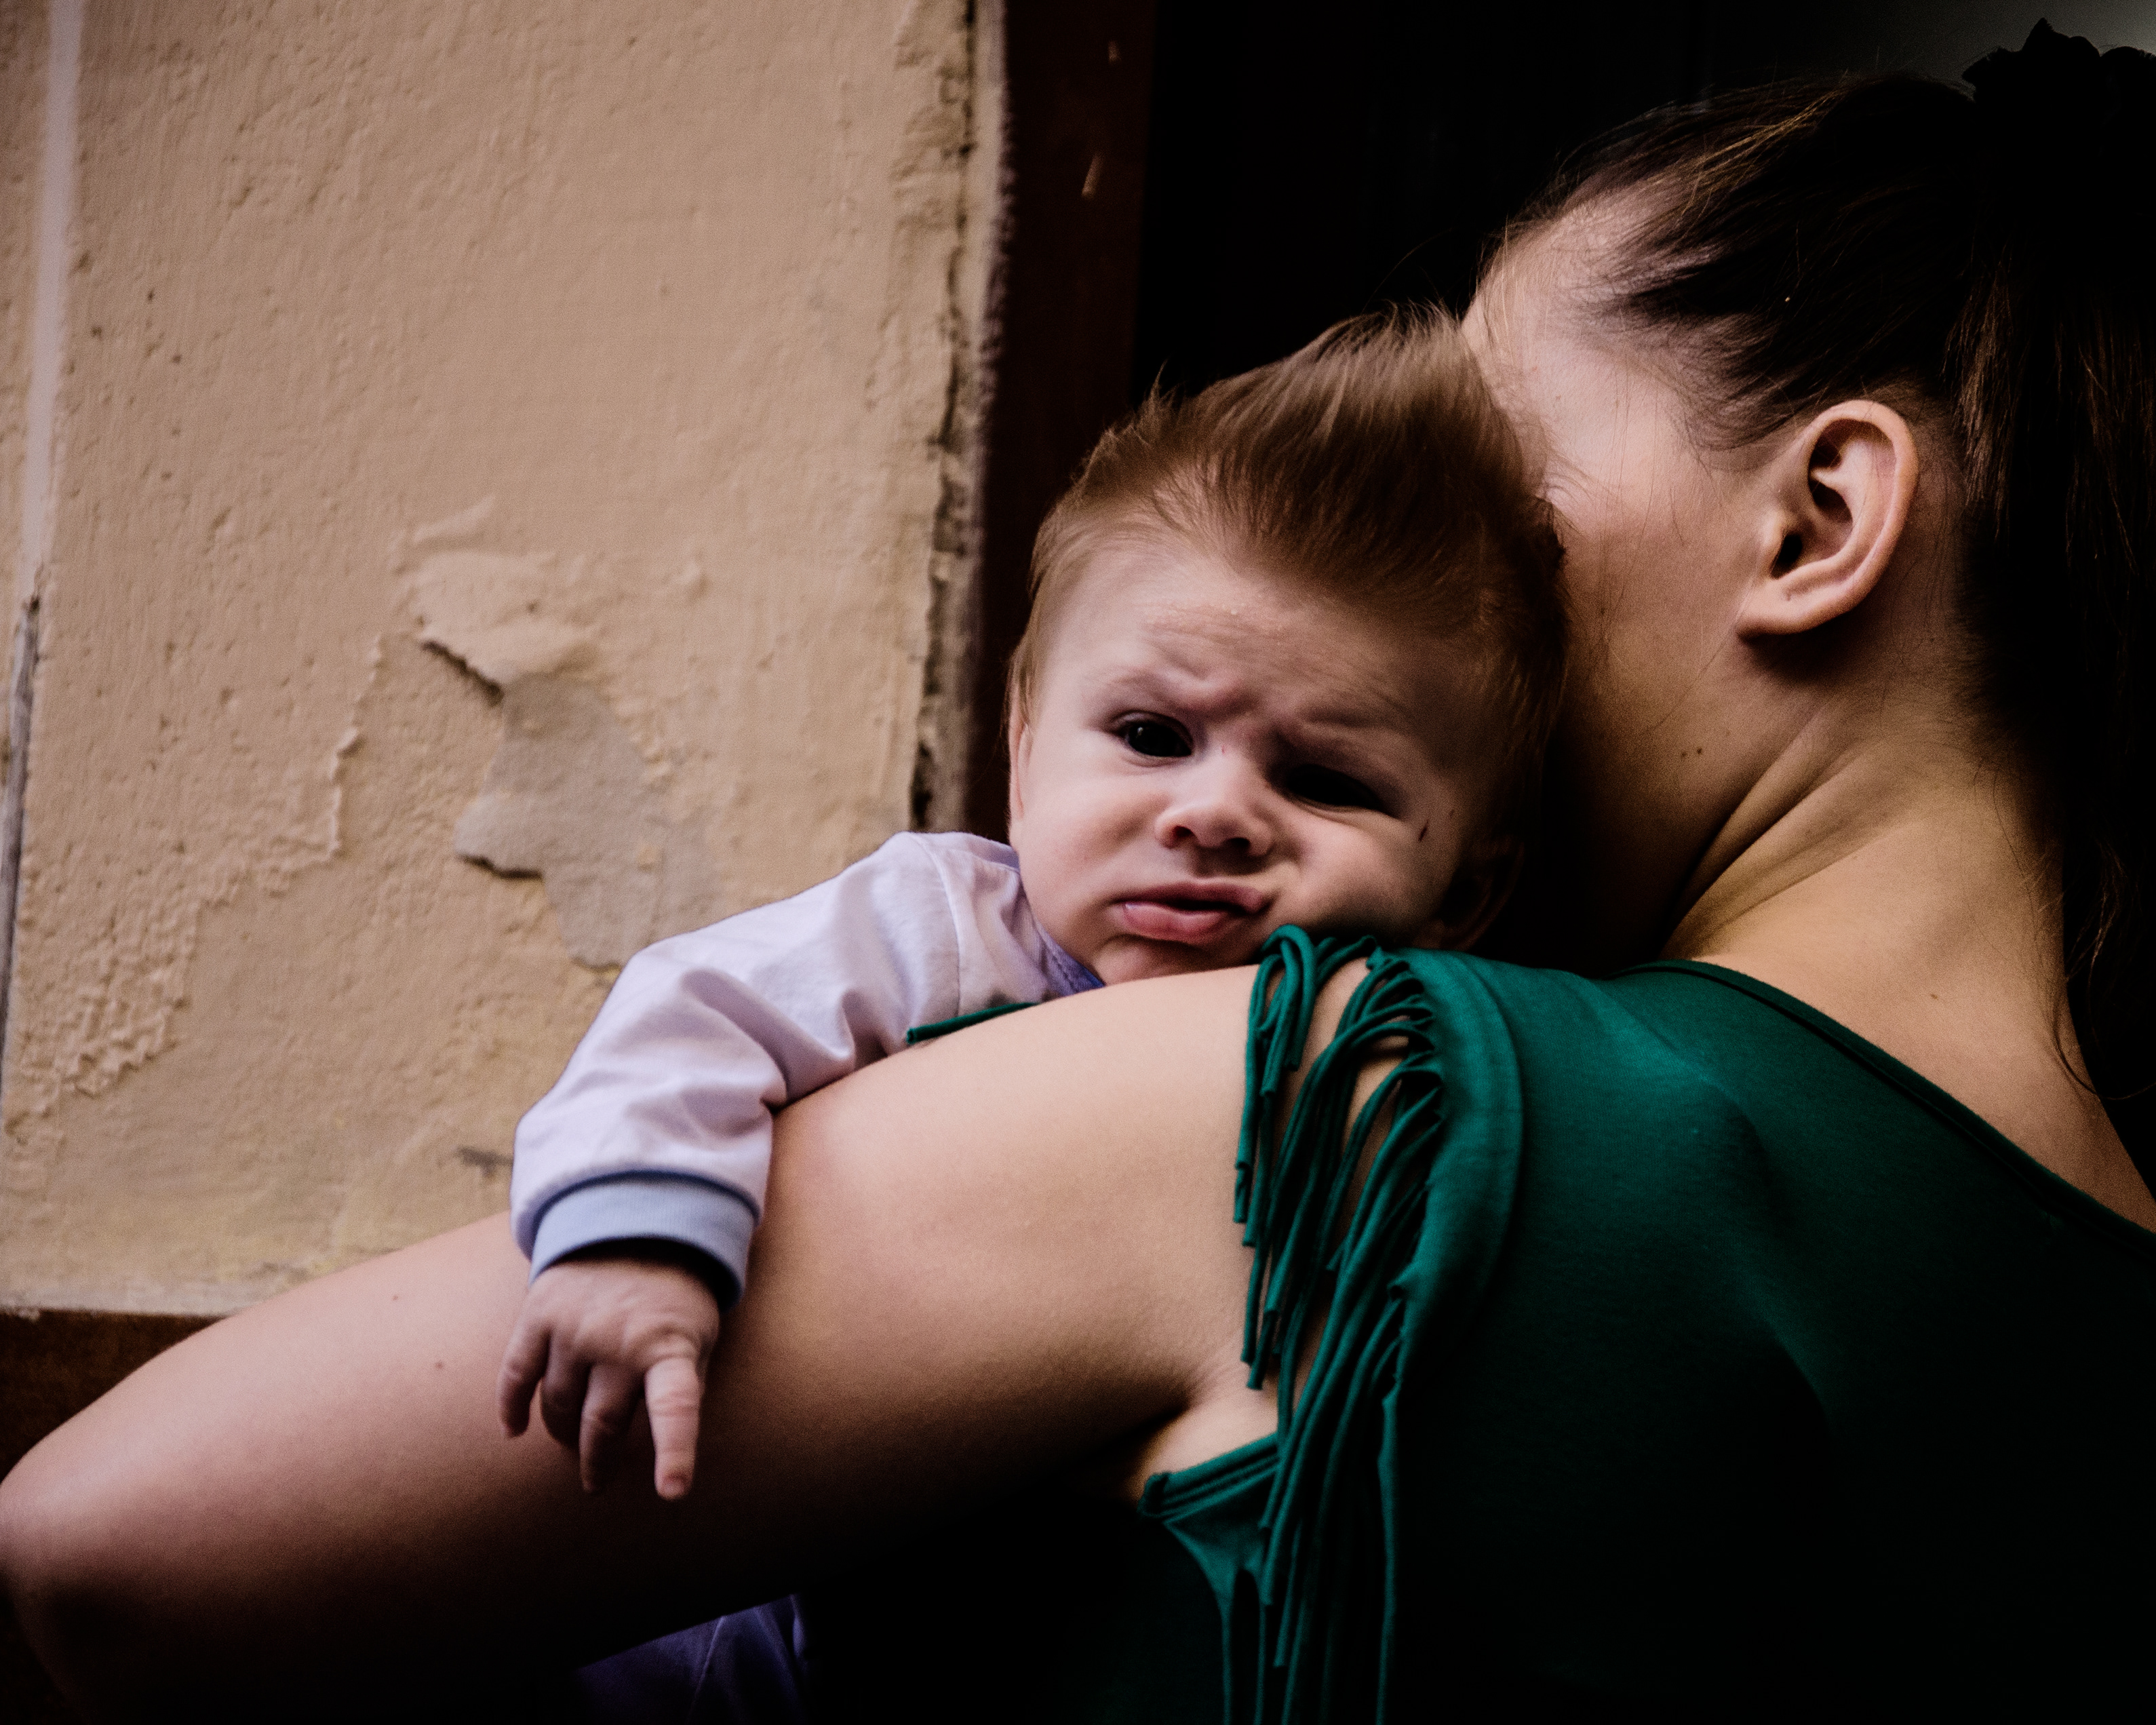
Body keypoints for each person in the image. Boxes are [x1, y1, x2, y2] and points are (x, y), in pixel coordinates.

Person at [0, 24, 2156, 1721]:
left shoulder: (1333, 1102)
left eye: (1493, 491)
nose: (1416, 596)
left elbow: (115, 1548)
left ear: (1819, 518)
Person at [498, 314, 1563, 1505]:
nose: (1215, 813)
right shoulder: (948, 931)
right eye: (1152, 735)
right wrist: (635, 1248)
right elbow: (697, 1015)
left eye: (1323, 780)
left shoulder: (1397, 1081)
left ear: (1468, 890)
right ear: (1022, 748)